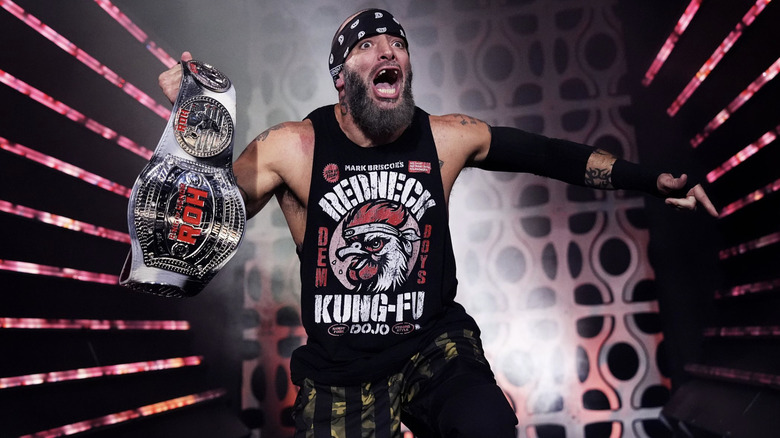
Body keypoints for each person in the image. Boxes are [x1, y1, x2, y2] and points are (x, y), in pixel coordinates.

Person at [158, 8, 718, 438]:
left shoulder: (446, 137)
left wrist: (649, 180)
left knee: (487, 425)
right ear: (340, 78)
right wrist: (195, 118)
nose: (389, 52)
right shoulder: (292, 148)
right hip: (339, 370)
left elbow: (549, 155)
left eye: (398, 44)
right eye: (368, 47)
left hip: (434, 345)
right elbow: (208, 219)